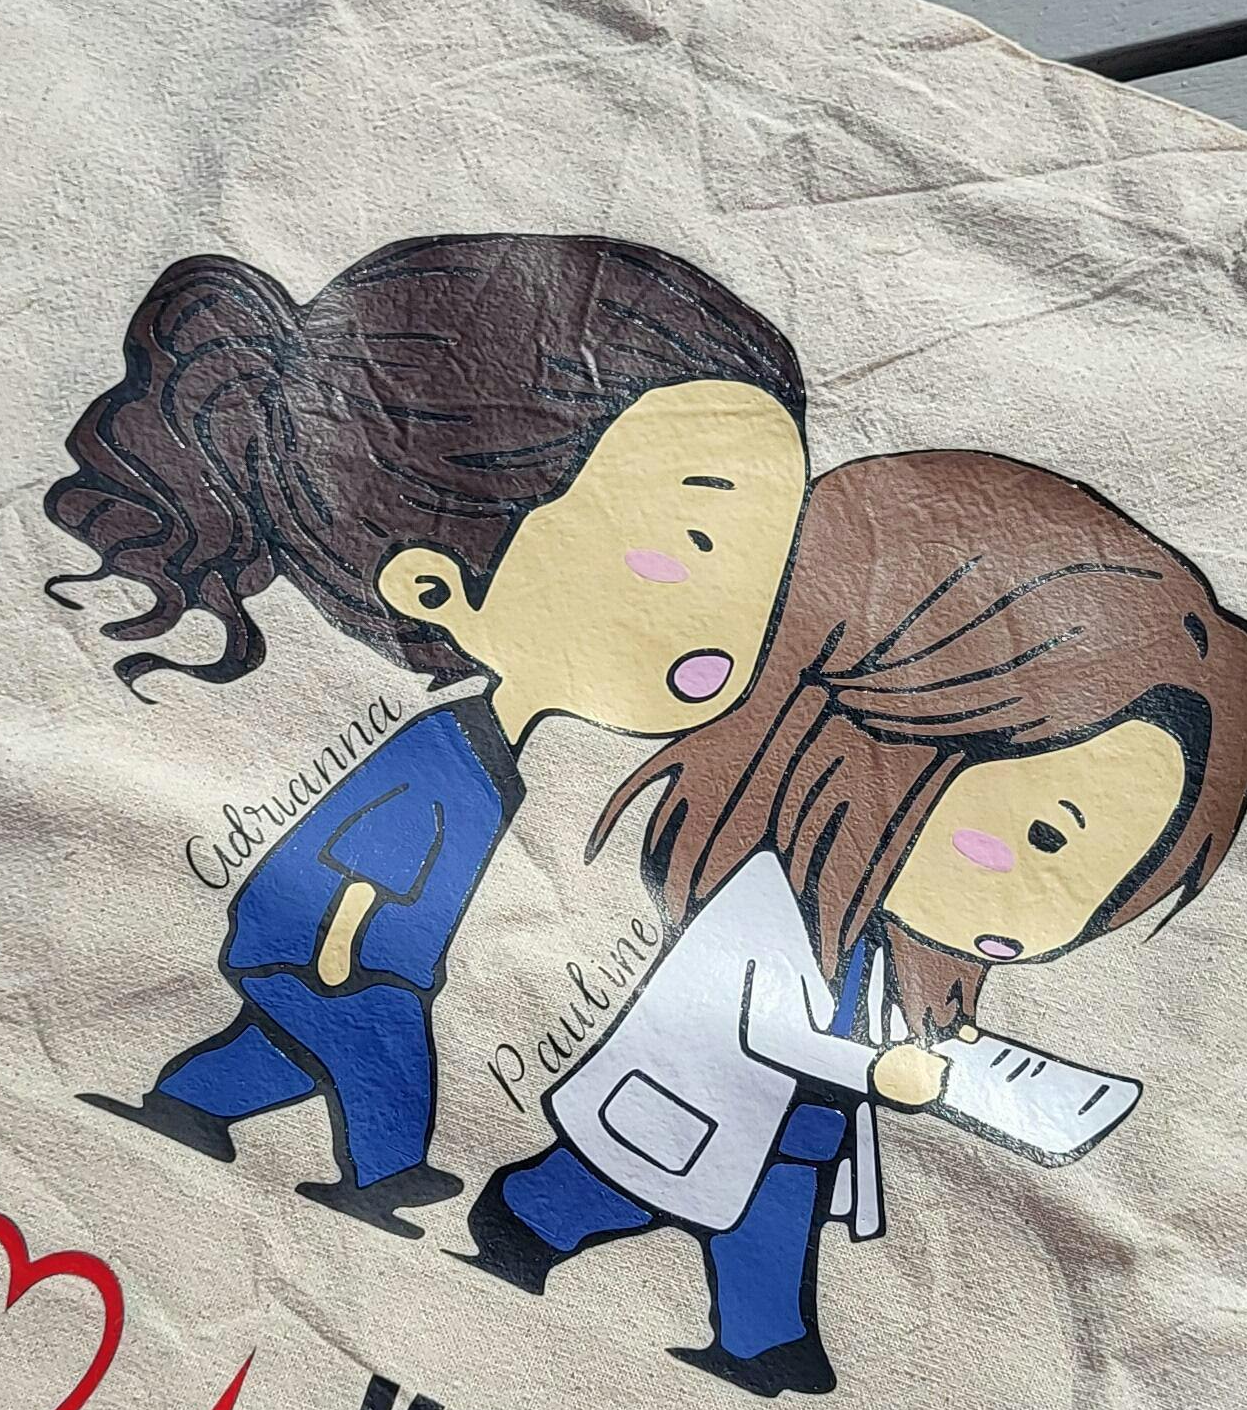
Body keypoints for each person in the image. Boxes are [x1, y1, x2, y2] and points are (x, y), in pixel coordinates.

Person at [459, 449, 1247, 1390]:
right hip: (701, 1101)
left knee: (767, 1225)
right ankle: (525, 1217)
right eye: (1047, 837)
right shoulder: (765, 901)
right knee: (618, 1185)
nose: (1045, 920)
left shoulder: (880, 939)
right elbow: (761, 1027)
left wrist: (941, 1054)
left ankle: (766, 1344)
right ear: (884, 730)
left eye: (1106, 885)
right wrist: (878, 1071)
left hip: (797, 1132)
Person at [46, 231, 809, 1234]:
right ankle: (383, 1172)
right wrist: (334, 957)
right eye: (694, 543)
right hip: (336, 955)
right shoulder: (442, 756)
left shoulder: (483, 750)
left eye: (766, 559)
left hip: (347, 956)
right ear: (434, 586)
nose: (740, 611)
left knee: (284, 1054)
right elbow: (336, 862)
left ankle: (190, 1105)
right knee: (378, 1052)